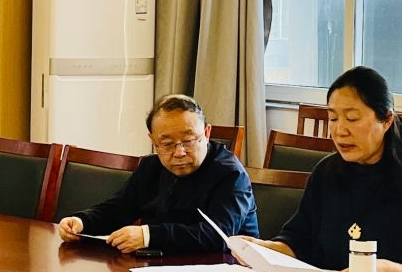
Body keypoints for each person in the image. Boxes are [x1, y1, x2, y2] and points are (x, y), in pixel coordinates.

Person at [245, 65, 402, 272]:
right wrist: (263, 250)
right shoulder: (326, 172)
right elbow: (299, 241)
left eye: (352, 118)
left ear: (387, 120)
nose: (340, 130)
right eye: (333, 118)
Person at [55, 93, 255, 254]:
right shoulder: (151, 166)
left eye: (188, 141)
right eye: (167, 144)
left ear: (207, 133)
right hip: (159, 271)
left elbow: (220, 236)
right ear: (153, 141)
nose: (179, 152)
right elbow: (119, 209)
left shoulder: (230, 173)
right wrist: (82, 222)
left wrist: (148, 236)